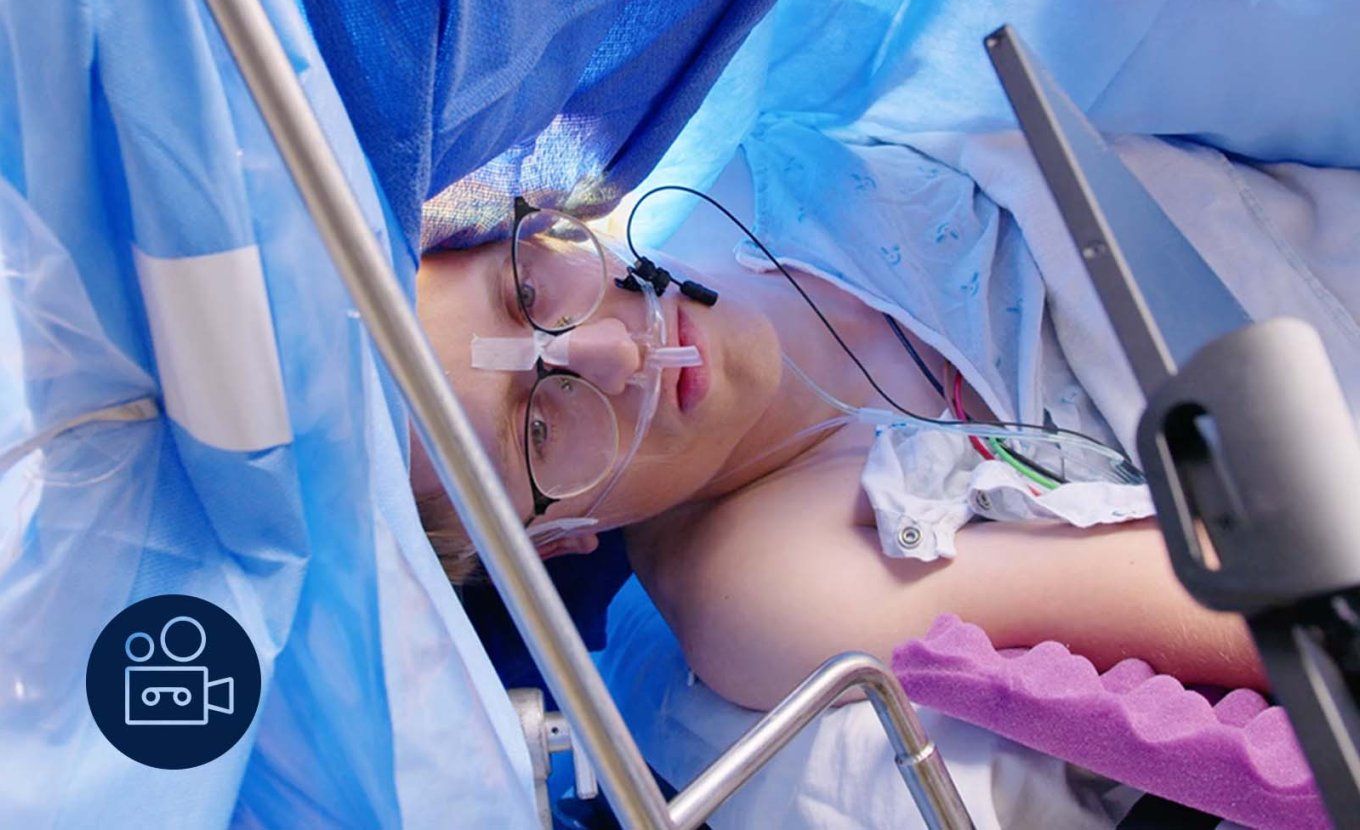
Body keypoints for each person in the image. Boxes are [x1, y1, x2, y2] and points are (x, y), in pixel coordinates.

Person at [410, 166, 1265, 712]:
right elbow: (1244, 593)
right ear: (552, 543)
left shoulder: (765, 165)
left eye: (528, 292)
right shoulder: (762, 592)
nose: (617, 352)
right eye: (539, 429)